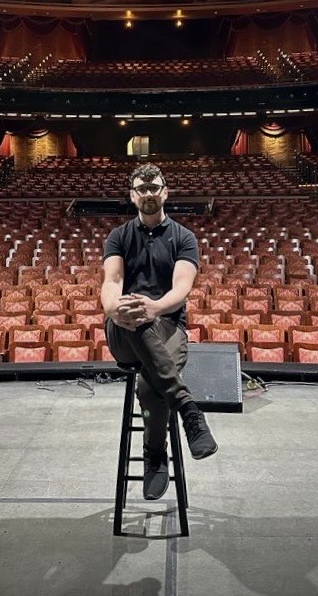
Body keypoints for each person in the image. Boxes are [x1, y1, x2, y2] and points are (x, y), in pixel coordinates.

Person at [102, 164, 218, 501]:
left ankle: (154, 455)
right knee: (132, 311)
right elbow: (111, 282)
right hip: (122, 329)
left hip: (168, 324)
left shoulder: (184, 237)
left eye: (154, 188)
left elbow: (182, 288)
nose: (148, 193)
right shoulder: (118, 236)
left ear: (165, 192)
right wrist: (113, 308)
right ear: (132, 196)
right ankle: (188, 409)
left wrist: (154, 307)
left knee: (148, 385)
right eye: (142, 188)